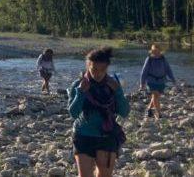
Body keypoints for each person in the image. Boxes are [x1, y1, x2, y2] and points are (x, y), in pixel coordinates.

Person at [67, 47, 129, 177]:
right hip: (83, 135)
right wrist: (80, 93)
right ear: (88, 66)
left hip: (107, 136)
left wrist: (118, 92)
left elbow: (124, 112)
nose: (98, 74)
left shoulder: (113, 85)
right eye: (94, 69)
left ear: (107, 68)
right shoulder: (78, 84)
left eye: (103, 70)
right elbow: (73, 113)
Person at [139, 44, 176, 119]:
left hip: (161, 81)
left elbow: (168, 69)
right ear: (151, 51)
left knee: (155, 97)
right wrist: (142, 83)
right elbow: (144, 71)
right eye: (153, 51)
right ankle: (159, 113)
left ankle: (149, 109)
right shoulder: (149, 59)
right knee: (155, 96)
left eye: (156, 51)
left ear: (160, 51)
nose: (155, 52)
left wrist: (173, 79)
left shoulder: (163, 59)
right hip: (151, 81)